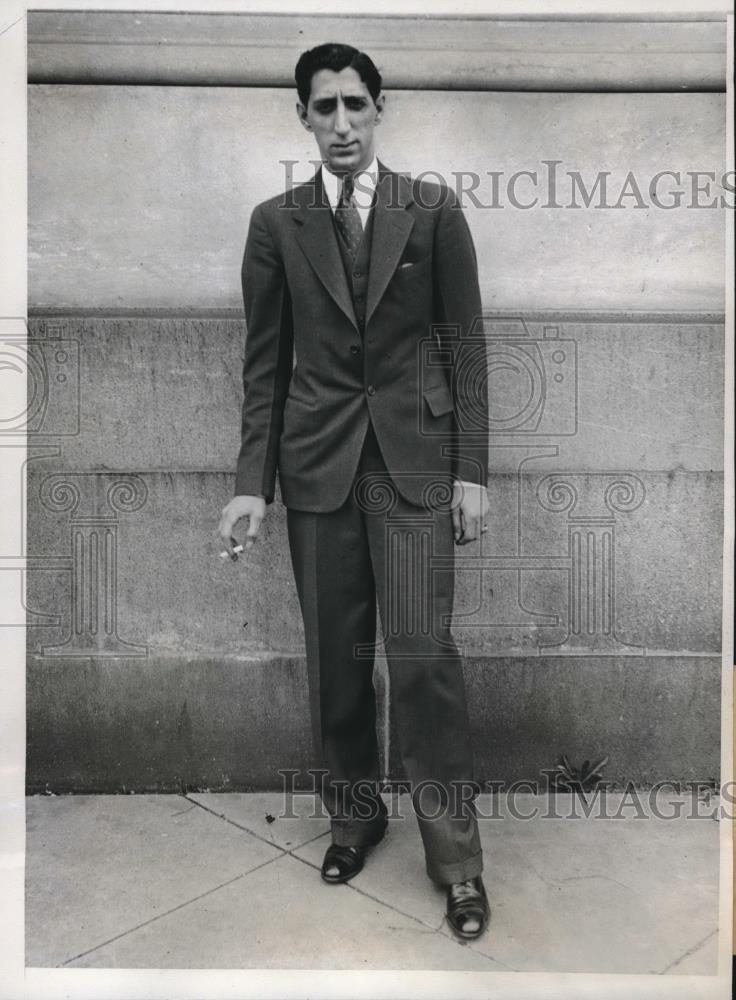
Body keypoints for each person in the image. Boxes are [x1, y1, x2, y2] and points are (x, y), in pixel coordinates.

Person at [219, 42, 491, 940]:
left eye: (355, 107)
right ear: (301, 116)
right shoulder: (277, 222)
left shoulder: (433, 210)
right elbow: (265, 363)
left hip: (414, 470)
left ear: (381, 111)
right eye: (323, 108)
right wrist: (250, 486)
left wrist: (472, 470)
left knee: (422, 660)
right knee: (336, 662)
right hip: (319, 468)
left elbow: (464, 345)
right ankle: (354, 816)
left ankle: (455, 862)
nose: (341, 124)